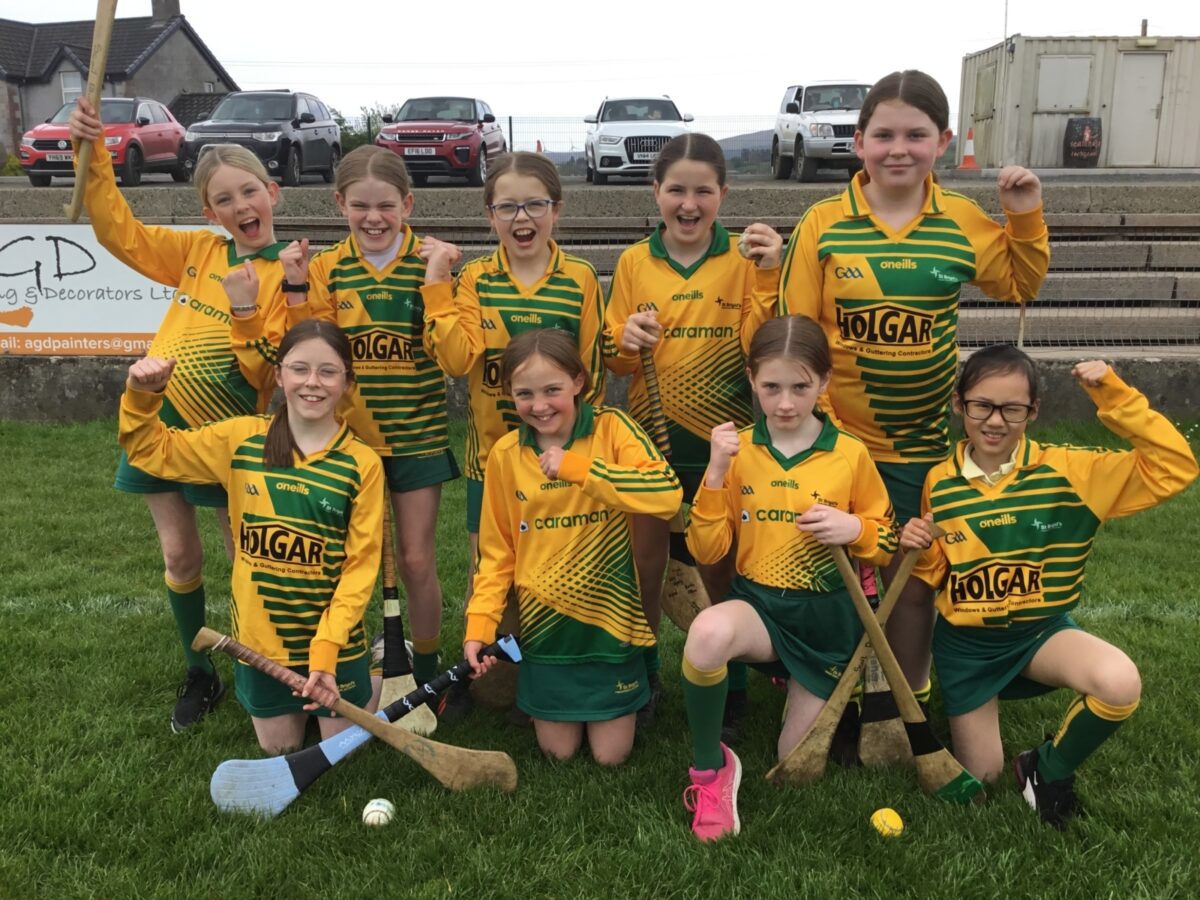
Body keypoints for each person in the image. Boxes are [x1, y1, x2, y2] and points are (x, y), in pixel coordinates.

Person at [777, 69, 1050, 712]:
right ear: (859, 142)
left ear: (943, 142)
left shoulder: (959, 221)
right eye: (883, 135)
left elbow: (1020, 283)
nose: (898, 149)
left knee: (910, 578)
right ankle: (828, 685)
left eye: (916, 135)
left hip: (918, 444)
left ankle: (904, 696)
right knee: (830, 574)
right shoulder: (823, 223)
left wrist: (1023, 214)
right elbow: (795, 334)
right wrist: (816, 427)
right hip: (835, 442)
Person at [900, 345, 1197, 828]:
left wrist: (1113, 395)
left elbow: (1175, 466)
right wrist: (917, 544)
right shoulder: (940, 480)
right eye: (982, 405)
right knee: (984, 776)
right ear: (958, 404)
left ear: (1034, 411)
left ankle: (1046, 767)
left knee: (1119, 683)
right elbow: (939, 570)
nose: (995, 421)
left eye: (1012, 409)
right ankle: (979, 720)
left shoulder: (1074, 471)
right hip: (968, 650)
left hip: (1039, 635)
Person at [68, 98, 293, 732]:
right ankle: (200, 672)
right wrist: (95, 155)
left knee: (246, 554)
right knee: (180, 556)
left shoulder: (292, 274)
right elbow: (120, 232)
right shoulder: (197, 251)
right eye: (223, 199)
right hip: (158, 422)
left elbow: (265, 374)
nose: (240, 206)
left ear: (272, 193)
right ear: (209, 213)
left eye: (249, 191)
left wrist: (245, 307)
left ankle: (264, 663)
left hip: (228, 436)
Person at [246, 145, 459, 690]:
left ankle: (427, 678)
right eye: (360, 205)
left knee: (415, 561)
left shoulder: (431, 263)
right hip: (343, 443)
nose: (373, 218)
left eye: (386, 205)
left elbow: (449, 351)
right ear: (340, 203)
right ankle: (340, 661)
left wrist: (439, 279)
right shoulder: (326, 267)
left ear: (407, 204)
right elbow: (311, 348)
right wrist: (296, 288)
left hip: (416, 436)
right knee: (341, 563)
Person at [119, 320, 386, 754]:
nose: (312, 382)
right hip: (262, 645)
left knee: (341, 751)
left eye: (328, 372)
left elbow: (360, 568)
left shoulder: (362, 464)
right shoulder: (241, 439)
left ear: (347, 382)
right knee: (279, 748)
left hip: (333, 641)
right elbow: (151, 451)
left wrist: (326, 651)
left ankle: (379, 663)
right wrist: (141, 396)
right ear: (278, 375)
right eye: (299, 369)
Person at [680, 315, 897, 841]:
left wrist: (856, 529)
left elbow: (886, 540)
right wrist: (714, 474)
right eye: (771, 387)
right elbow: (706, 549)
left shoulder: (849, 454)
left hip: (827, 623)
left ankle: (814, 688)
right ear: (752, 380)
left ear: (824, 381)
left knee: (796, 769)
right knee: (706, 633)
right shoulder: (738, 452)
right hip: (761, 610)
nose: (784, 403)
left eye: (800, 387)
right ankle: (711, 773)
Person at [605, 132, 782, 734]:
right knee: (645, 567)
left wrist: (769, 275)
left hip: (723, 447)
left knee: (720, 567)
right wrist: (624, 340)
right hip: (649, 448)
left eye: (702, 191)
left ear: (723, 194)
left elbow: (762, 348)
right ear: (655, 191)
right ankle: (642, 677)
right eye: (676, 190)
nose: (688, 204)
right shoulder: (634, 263)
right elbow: (615, 360)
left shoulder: (744, 260)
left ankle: (731, 685)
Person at [419, 152, 607, 720]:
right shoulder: (476, 279)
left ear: (557, 210)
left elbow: (592, 377)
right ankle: (490, 683)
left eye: (534, 205)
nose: (521, 218)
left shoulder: (579, 279)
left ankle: (561, 677)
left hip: (560, 460)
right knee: (491, 574)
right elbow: (455, 359)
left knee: (560, 570)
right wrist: (438, 284)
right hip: (492, 464)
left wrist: (578, 453)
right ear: (490, 215)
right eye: (507, 207)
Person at [464, 329, 682, 765]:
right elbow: (496, 554)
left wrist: (580, 469)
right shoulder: (506, 454)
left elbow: (667, 493)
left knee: (610, 757)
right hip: (547, 632)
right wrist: (479, 627)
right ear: (510, 394)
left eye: (552, 390)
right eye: (524, 394)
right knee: (557, 753)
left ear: (578, 382)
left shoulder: (612, 429)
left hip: (610, 625)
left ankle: (639, 684)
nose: (539, 405)